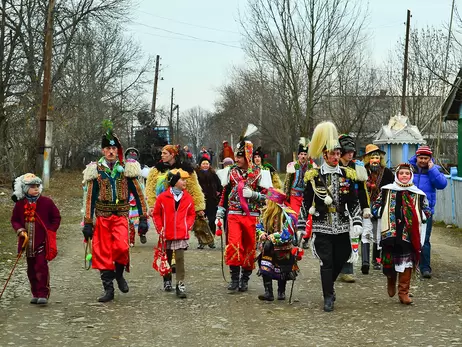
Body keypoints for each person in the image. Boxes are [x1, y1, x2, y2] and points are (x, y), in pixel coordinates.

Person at [82, 123, 148, 302]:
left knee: (121, 247)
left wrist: (143, 218)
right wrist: (88, 222)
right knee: (103, 253)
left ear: (118, 150)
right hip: (102, 216)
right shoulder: (95, 170)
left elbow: (139, 194)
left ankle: (119, 275)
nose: (111, 151)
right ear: (103, 151)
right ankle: (108, 289)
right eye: (107, 148)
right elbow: (89, 197)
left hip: (120, 216)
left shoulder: (128, 168)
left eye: (114, 148)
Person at [303, 121, 363, 312]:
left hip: (342, 225)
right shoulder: (313, 175)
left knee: (342, 256)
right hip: (321, 225)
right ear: (325, 155)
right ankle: (328, 296)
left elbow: (354, 201)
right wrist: (300, 226)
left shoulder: (348, 174)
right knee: (326, 261)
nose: (336, 157)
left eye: (338, 153)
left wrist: (358, 221)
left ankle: (330, 286)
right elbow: (306, 203)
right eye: (333, 153)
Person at [216, 124, 272, 293]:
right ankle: (234, 278)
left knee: (249, 246)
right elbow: (224, 195)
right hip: (233, 214)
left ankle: (245, 279)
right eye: (237, 156)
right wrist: (220, 213)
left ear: (248, 156)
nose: (238, 159)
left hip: (252, 216)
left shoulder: (261, 173)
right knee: (234, 244)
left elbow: (268, 198)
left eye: (240, 156)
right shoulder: (230, 172)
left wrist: (254, 195)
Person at [146, 144, 205, 291]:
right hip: (165, 211)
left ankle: (179, 281)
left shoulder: (186, 171)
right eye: (162, 153)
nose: (162, 155)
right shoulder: (156, 170)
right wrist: (152, 205)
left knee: (179, 254)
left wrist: (198, 208)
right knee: (166, 251)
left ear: (173, 154)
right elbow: (150, 188)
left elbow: (194, 188)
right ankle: (167, 279)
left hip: (180, 212)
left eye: (165, 153)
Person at [372, 163, 431, 305]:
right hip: (390, 233)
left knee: (407, 263)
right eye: (401, 173)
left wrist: (421, 215)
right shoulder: (386, 191)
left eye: (407, 174)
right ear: (397, 175)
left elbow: (427, 210)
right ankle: (391, 279)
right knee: (389, 262)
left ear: (411, 176)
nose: (404, 176)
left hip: (408, 234)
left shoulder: (418, 194)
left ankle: (403, 292)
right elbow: (375, 207)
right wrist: (381, 212)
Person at [11, 173, 61, 305]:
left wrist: (50, 230)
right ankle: (35, 293)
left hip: (42, 242)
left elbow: (56, 217)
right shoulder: (20, 204)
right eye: (32, 186)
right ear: (25, 188)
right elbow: (14, 220)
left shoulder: (46, 202)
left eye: (37, 186)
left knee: (41, 267)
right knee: (31, 269)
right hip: (27, 243)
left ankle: (43, 293)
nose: (36, 189)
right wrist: (20, 230)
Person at [152, 169, 196, 298]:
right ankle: (167, 280)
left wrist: (187, 225)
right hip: (166, 233)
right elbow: (156, 214)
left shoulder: (187, 197)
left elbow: (191, 214)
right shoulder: (162, 197)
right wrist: (160, 228)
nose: (185, 182)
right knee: (166, 258)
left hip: (181, 234)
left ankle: (180, 284)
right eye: (182, 180)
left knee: (180, 259)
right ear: (175, 182)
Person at [409, 145, 447, 279]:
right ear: (417, 157)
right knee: (408, 237)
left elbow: (442, 184)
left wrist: (432, 170)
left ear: (430, 159)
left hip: (426, 211)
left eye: (426, 158)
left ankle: (425, 267)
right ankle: (409, 265)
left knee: (424, 239)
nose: (423, 160)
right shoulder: (409, 169)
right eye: (421, 158)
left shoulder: (433, 170)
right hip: (410, 209)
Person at [337, 134, 370, 283]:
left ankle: (347, 270)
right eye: (348, 151)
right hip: (336, 207)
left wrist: (365, 207)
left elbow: (362, 189)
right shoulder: (334, 166)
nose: (351, 154)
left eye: (352, 152)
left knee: (352, 238)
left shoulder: (358, 167)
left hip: (353, 207)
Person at [257, 188, 299, 301]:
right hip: (268, 248)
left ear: (273, 202)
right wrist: (262, 234)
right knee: (264, 267)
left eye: (268, 199)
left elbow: (288, 234)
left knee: (283, 271)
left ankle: (281, 291)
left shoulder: (288, 216)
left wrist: (273, 237)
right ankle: (268, 292)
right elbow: (259, 226)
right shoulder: (265, 213)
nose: (265, 201)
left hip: (283, 249)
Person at [361, 144, 394, 274]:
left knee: (378, 234)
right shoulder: (362, 171)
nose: (375, 160)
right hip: (365, 206)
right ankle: (365, 262)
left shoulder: (387, 173)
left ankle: (376, 259)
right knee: (366, 232)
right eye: (372, 157)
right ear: (368, 159)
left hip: (381, 207)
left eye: (377, 157)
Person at [284, 138, 315, 249]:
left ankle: (306, 238)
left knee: (309, 219)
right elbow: (287, 182)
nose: (303, 156)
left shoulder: (312, 166)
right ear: (298, 155)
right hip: (294, 196)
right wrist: (285, 195)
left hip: (307, 197)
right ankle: (294, 237)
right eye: (301, 154)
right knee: (295, 216)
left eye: (305, 154)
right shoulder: (293, 166)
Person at [195, 155, 222, 249]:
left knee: (211, 220)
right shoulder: (196, 174)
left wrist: (218, 194)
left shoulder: (213, 174)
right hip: (200, 200)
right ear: (200, 165)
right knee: (200, 221)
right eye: (203, 163)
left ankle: (211, 240)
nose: (205, 165)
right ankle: (201, 240)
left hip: (212, 201)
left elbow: (219, 186)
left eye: (207, 163)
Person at [124, 147, 149, 246]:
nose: (132, 155)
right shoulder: (122, 168)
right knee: (129, 219)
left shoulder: (142, 168)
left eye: (134, 154)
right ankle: (131, 240)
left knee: (141, 216)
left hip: (139, 193)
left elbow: (147, 179)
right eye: (130, 154)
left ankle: (142, 232)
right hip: (127, 195)